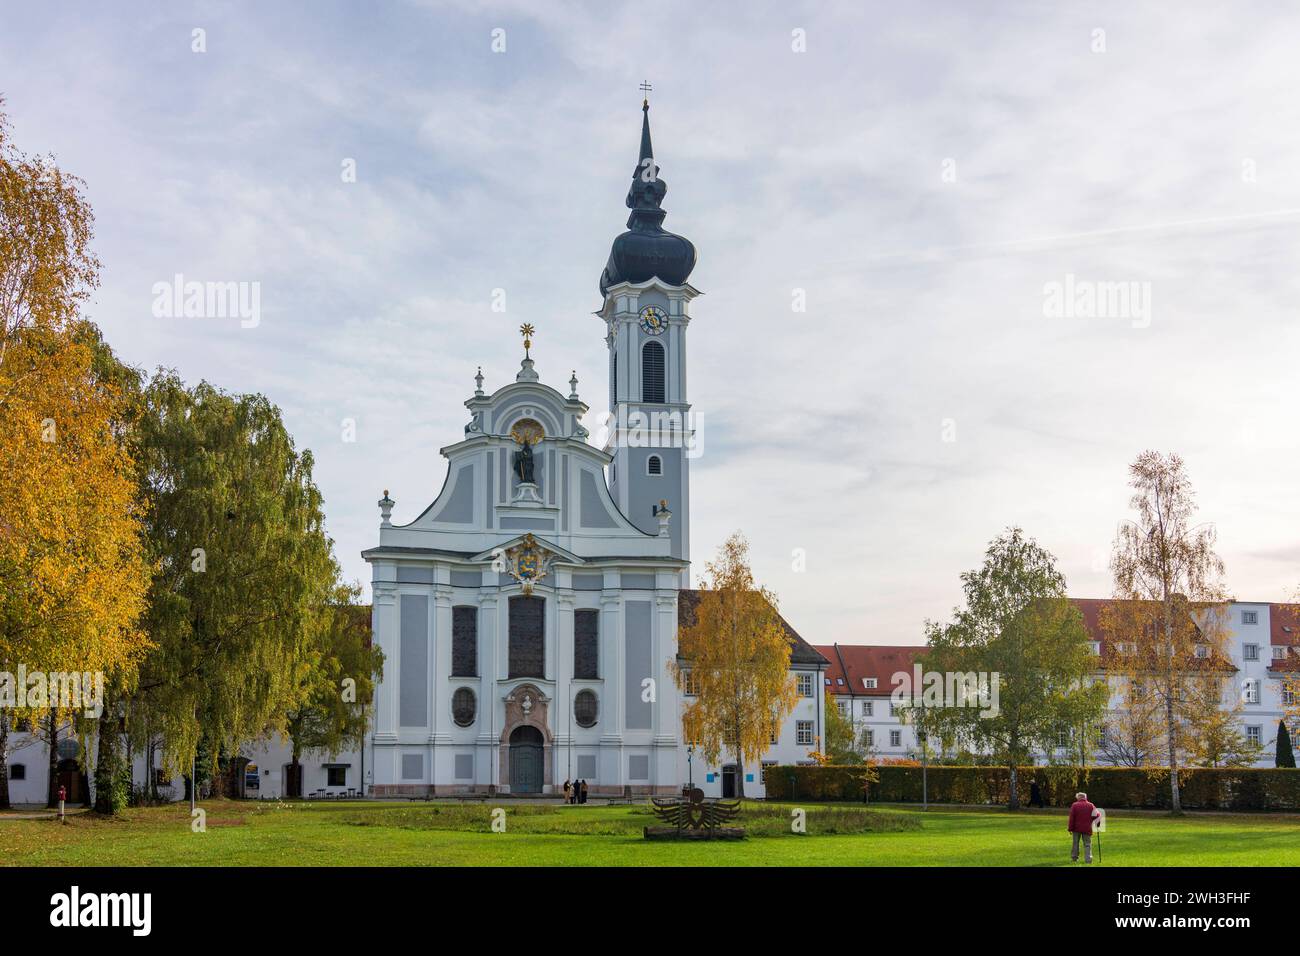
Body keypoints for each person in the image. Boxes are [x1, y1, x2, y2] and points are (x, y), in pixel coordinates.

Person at [1067, 791, 1099, 863]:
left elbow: (1071, 818)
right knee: (1087, 844)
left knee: (1075, 843)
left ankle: (1074, 858)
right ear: (1085, 798)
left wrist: (1070, 828)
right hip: (1087, 828)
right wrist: (1098, 824)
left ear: (1078, 797)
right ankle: (1088, 860)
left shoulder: (1074, 805)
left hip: (1076, 828)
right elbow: (1097, 815)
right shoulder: (1091, 805)